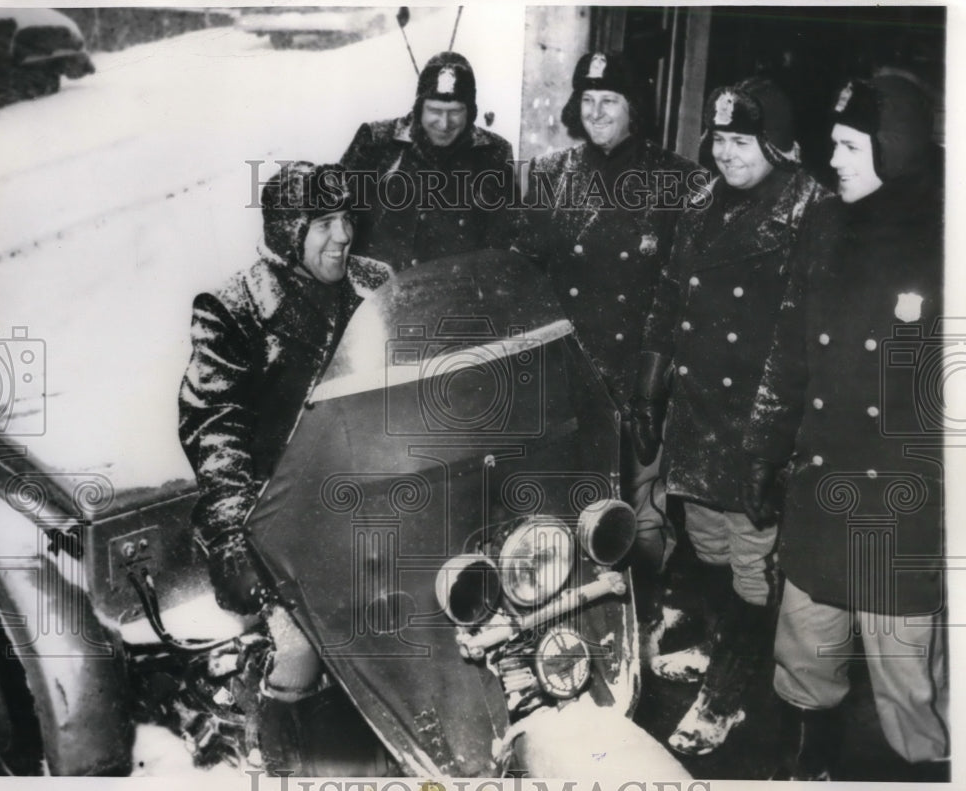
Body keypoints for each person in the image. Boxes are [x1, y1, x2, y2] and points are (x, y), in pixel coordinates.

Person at [742, 71, 947, 780]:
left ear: (897, 151)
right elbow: (789, 351)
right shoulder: (824, 223)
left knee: (910, 690)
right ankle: (808, 770)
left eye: (853, 147)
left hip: (908, 516)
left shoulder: (948, 235)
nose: (835, 161)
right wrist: (763, 454)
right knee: (804, 662)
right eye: (833, 144)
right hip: (823, 500)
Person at [635, 77, 837, 755]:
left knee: (755, 565)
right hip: (699, 415)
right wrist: (651, 386)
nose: (726, 153)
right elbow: (668, 296)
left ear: (777, 146)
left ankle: (729, 693)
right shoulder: (700, 201)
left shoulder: (811, 210)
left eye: (741, 140)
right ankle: (718, 647)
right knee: (709, 545)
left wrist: (772, 441)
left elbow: (803, 338)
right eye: (719, 138)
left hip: (759, 419)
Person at [178, 160, 364, 771]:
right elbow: (215, 428)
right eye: (324, 223)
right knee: (301, 646)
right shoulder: (234, 309)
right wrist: (234, 530)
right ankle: (282, 747)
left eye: (347, 219)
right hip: (272, 516)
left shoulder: (373, 288)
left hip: (368, 497)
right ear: (289, 231)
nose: (343, 236)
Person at [513, 51, 703, 568]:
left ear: (633, 108)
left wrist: (656, 387)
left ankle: (642, 621)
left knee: (640, 517)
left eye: (610, 100)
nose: (595, 112)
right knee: (565, 510)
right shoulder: (552, 174)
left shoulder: (679, 180)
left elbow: (685, 294)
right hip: (570, 378)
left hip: (640, 380)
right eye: (587, 100)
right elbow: (525, 279)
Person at [340, 51, 515, 272]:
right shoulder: (376, 142)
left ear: (470, 113)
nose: (444, 124)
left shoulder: (493, 153)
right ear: (419, 108)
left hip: (454, 296)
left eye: (455, 112)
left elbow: (502, 239)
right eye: (435, 110)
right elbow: (337, 214)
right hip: (379, 293)